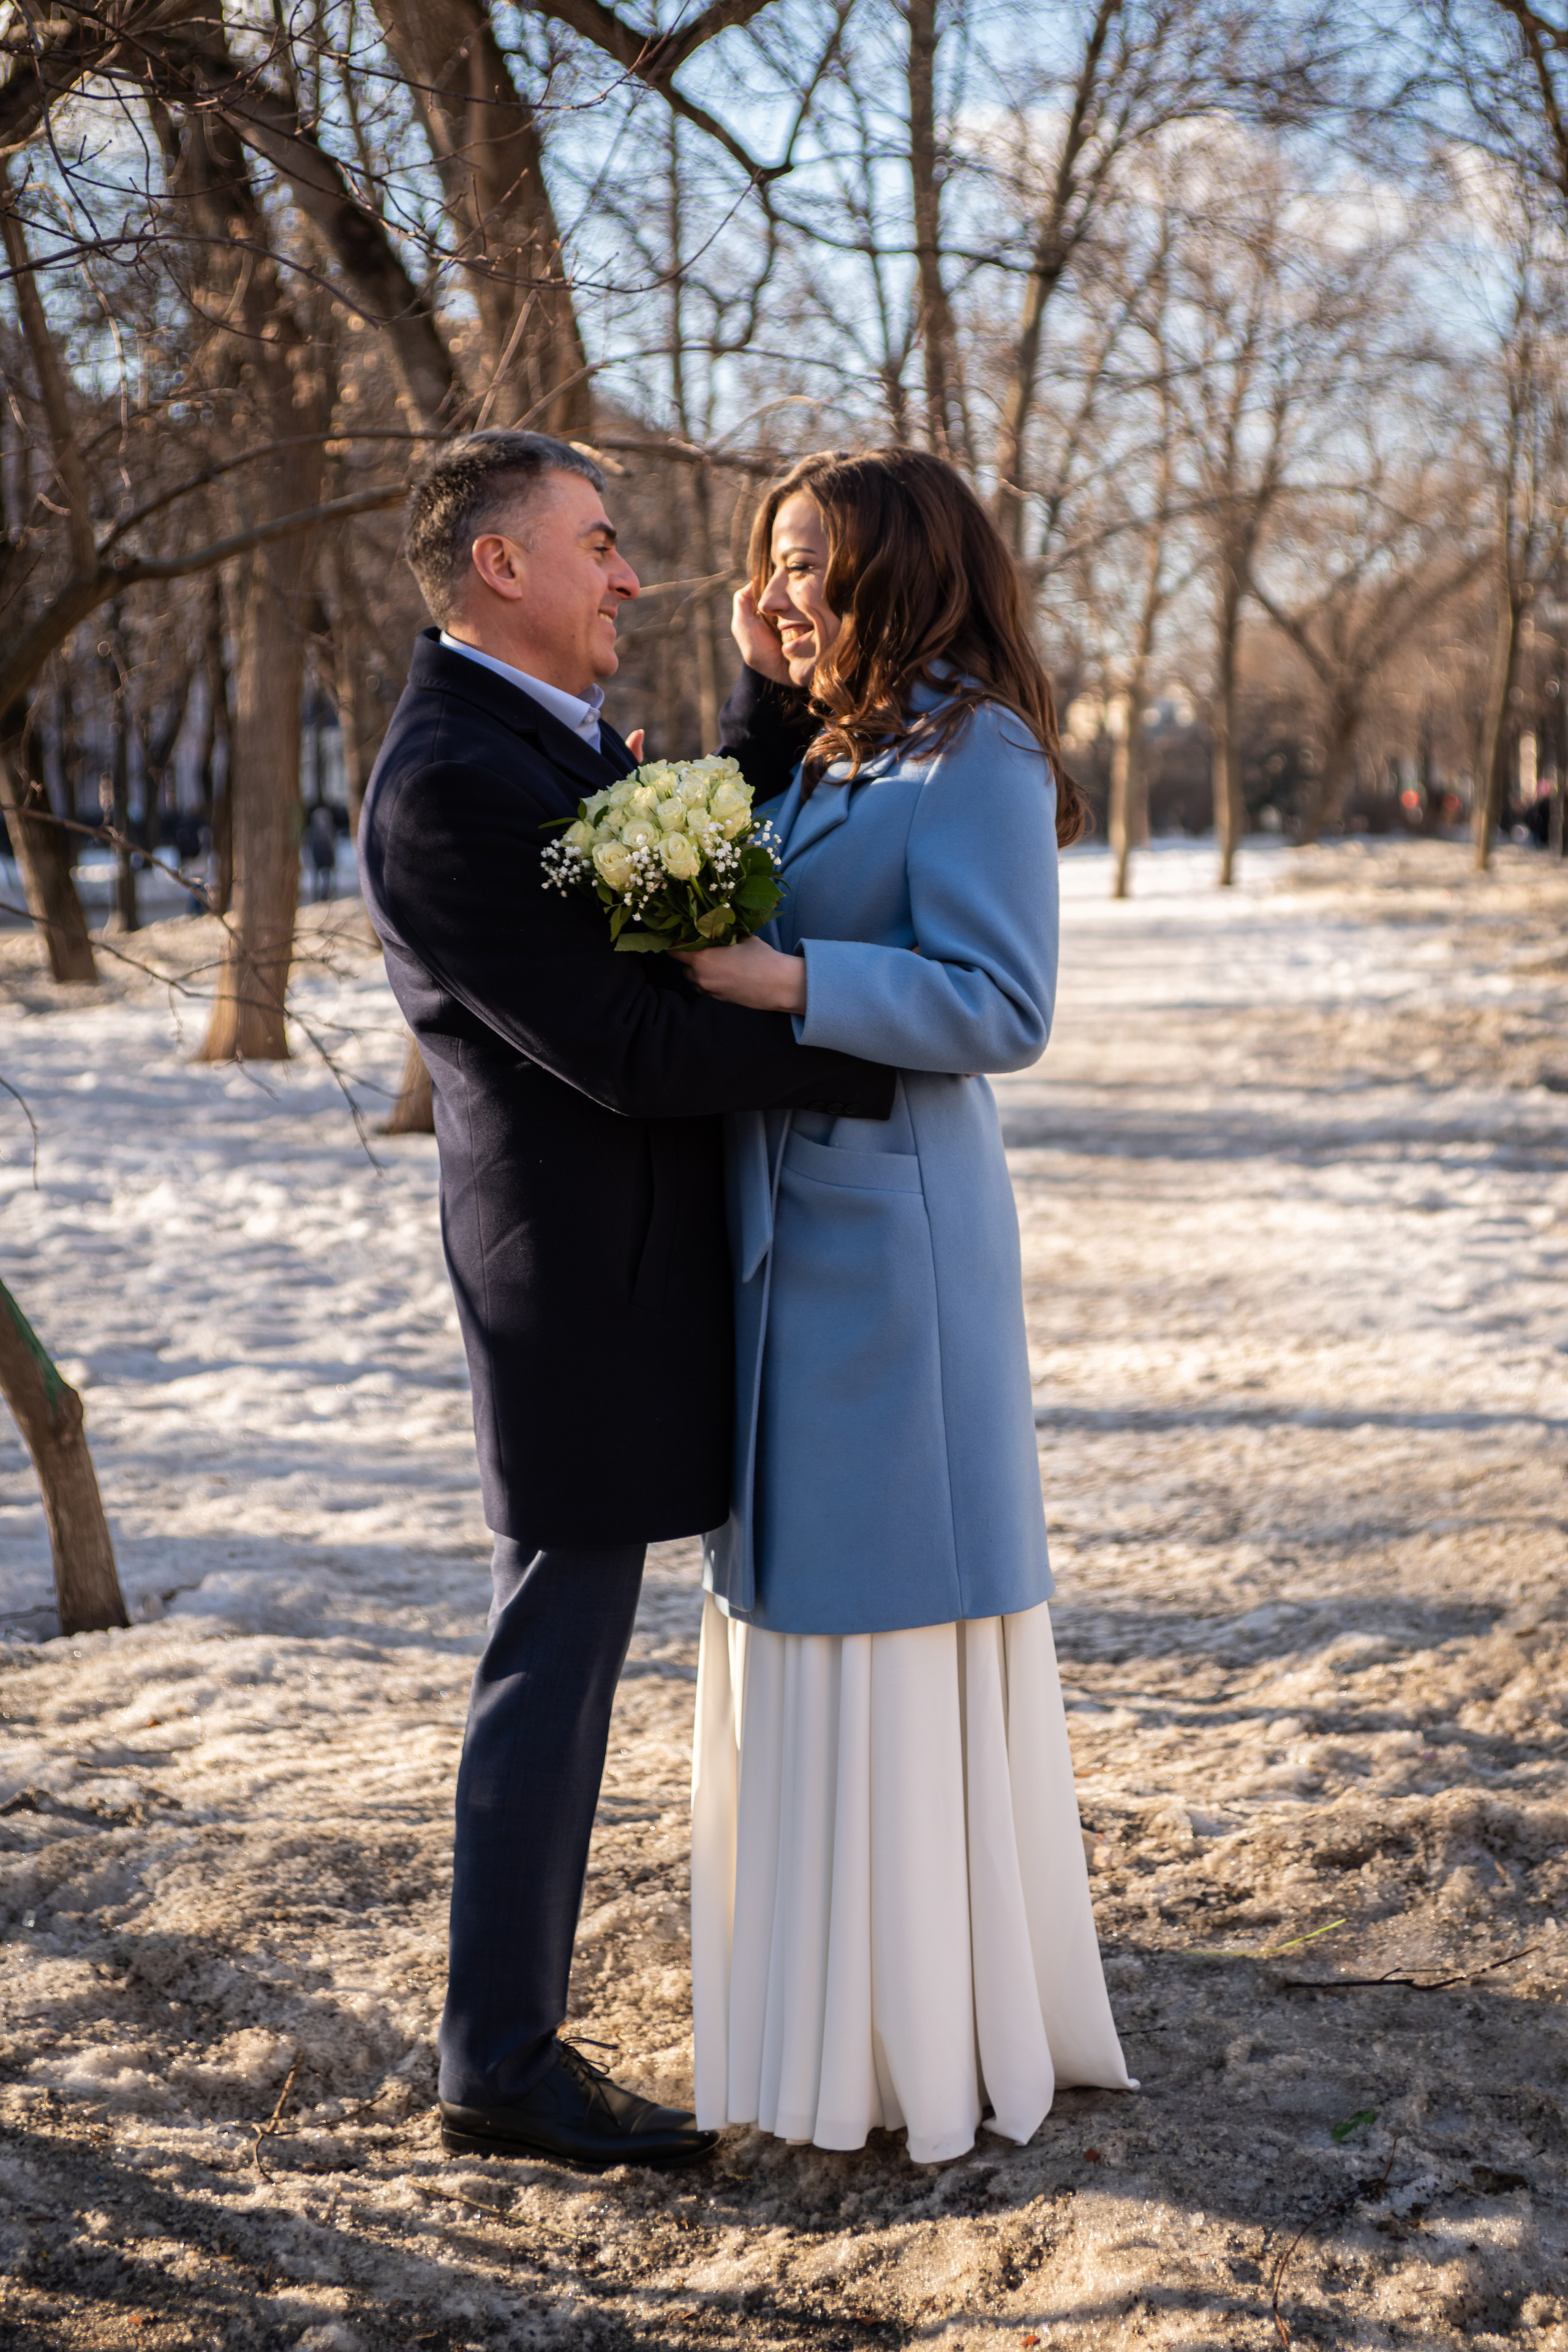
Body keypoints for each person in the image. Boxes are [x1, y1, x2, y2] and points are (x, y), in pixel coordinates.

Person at [356, 431, 894, 2173]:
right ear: (503, 567)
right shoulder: (448, 781)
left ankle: (505, 2038)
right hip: (573, 1296)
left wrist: (753, 716)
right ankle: (498, 2060)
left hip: (653, 1265)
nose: (634, 576)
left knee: (575, 1656)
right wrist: (879, 1050)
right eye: (601, 543)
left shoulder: (541, 740)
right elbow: (625, 1043)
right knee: (553, 1663)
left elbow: (674, 902)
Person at [674, 447, 1134, 2165]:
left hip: (895, 1253)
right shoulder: (829, 748)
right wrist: (758, 693)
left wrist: (791, 981)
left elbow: (1005, 1004)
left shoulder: (978, 750)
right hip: (782, 1240)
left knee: (882, 1613)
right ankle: (815, 1993)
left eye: (809, 563)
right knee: (793, 1607)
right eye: (768, 563)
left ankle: (915, 2024)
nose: (782, 590)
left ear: (903, 566)